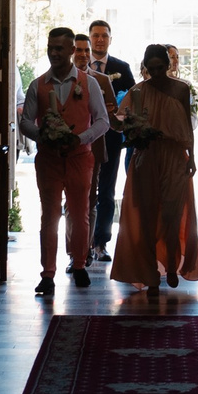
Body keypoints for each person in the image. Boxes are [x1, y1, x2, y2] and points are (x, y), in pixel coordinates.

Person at [18, 25, 108, 294]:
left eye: (59, 48)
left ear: (71, 51)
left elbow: (102, 121)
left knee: (79, 215)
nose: (53, 53)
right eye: (50, 47)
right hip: (48, 159)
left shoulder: (88, 83)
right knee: (49, 215)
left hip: (80, 157)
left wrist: (81, 138)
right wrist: (43, 135)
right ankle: (47, 273)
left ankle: (79, 265)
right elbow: (25, 122)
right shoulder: (38, 85)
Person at [110, 45, 198, 290]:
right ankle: (150, 271)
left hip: (175, 156)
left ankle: (172, 265)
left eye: (160, 68)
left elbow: (186, 124)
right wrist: (111, 114)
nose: (156, 73)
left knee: (172, 214)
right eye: (151, 69)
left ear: (168, 65)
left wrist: (192, 156)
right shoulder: (138, 91)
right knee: (147, 216)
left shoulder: (182, 89)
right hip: (146, 157)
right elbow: (122, 126)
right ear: (145, 68)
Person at [85, 19, 135, 263]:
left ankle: (101, 243)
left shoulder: (121, 68)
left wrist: (119, 114)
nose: (100, 39)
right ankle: (80, 244)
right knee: (82, 191)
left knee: (106, 191)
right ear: (90, 38)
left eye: (104, 35)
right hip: (84, 139)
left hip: (111, 139)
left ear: (110, 39)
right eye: (95, 35)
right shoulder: (80, 67)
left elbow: (134, 102)